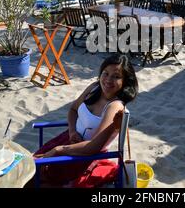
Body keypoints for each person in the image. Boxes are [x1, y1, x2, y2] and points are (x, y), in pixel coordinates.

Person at [31, 53, 138, 187]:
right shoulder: (94, 88)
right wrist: (72, 132)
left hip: (85, 155)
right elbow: (73, 110)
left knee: (39, 177)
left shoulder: (115, 106)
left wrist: (59, 150)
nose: (108, 80)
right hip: (69, 140)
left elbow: (93, 146)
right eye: (105, 73)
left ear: (125, 82)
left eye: (116, 77)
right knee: (31, 168)